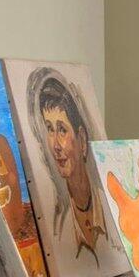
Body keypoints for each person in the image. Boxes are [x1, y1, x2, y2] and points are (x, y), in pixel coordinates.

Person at [28, 69, 109, 262]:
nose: (55, 145)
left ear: (81, 140)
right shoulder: (59, 230)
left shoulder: (111, 212)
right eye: (49, 129)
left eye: (62, 130)